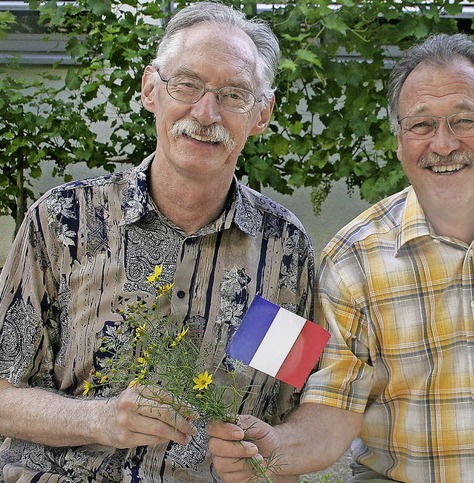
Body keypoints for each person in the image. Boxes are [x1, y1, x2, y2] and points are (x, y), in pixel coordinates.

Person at [207, 33, 474, 482]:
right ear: (400, 142)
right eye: (421, 125)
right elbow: (334, 406)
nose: (443, 143)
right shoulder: (354, 259)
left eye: (464, 120)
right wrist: (279, 448)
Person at [0, 2, 314, 481]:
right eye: (187, 85)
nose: (205, 113)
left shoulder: (284, 253)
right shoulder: (62, 221)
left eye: (233, 95)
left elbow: (291, 413)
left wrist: (265, 453)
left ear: (261, 114)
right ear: (151, 88)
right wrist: (98, 418)